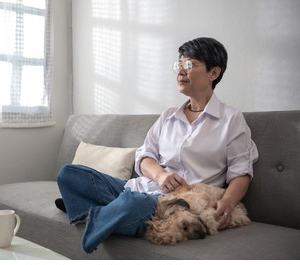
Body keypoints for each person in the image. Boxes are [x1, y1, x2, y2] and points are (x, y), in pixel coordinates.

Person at [56, 37, 259, 253]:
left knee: (134, 203)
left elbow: (241, 172)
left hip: (178, 205)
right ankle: (111, 213)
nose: (180, 71)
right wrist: (160, 175)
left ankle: (96, 212)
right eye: (178, 64)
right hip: (143, 188)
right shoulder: (168, 116)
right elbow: (144, 157)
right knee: (69, 174)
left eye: (189, 64)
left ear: (213, 73)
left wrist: (227, 203)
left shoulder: (231, 119)